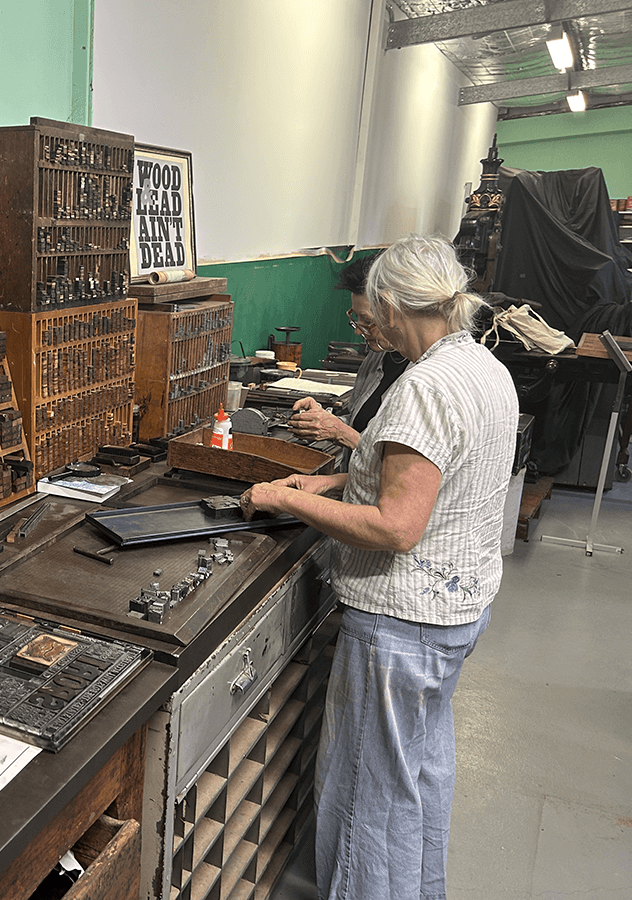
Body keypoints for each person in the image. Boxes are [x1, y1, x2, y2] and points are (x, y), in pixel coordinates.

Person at [239, 235, 518, 900]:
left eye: (369, 316)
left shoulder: (423, 387)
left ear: (393, 306)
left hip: (403, 624)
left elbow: (397, 526)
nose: (367, 327)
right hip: (455, 609)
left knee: (368, 795)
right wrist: (335, 487)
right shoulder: (482, 368)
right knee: (416, 780)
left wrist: (283, 497)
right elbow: (433, 481)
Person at [287, 253, 409, 453]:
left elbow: (395, 467)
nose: (358, 331)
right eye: (357, 318)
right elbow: (356, 420)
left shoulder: (423, 379)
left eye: (368, 320)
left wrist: (340, 432)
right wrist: (323, 420)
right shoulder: (377, 357)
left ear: (397, 311)